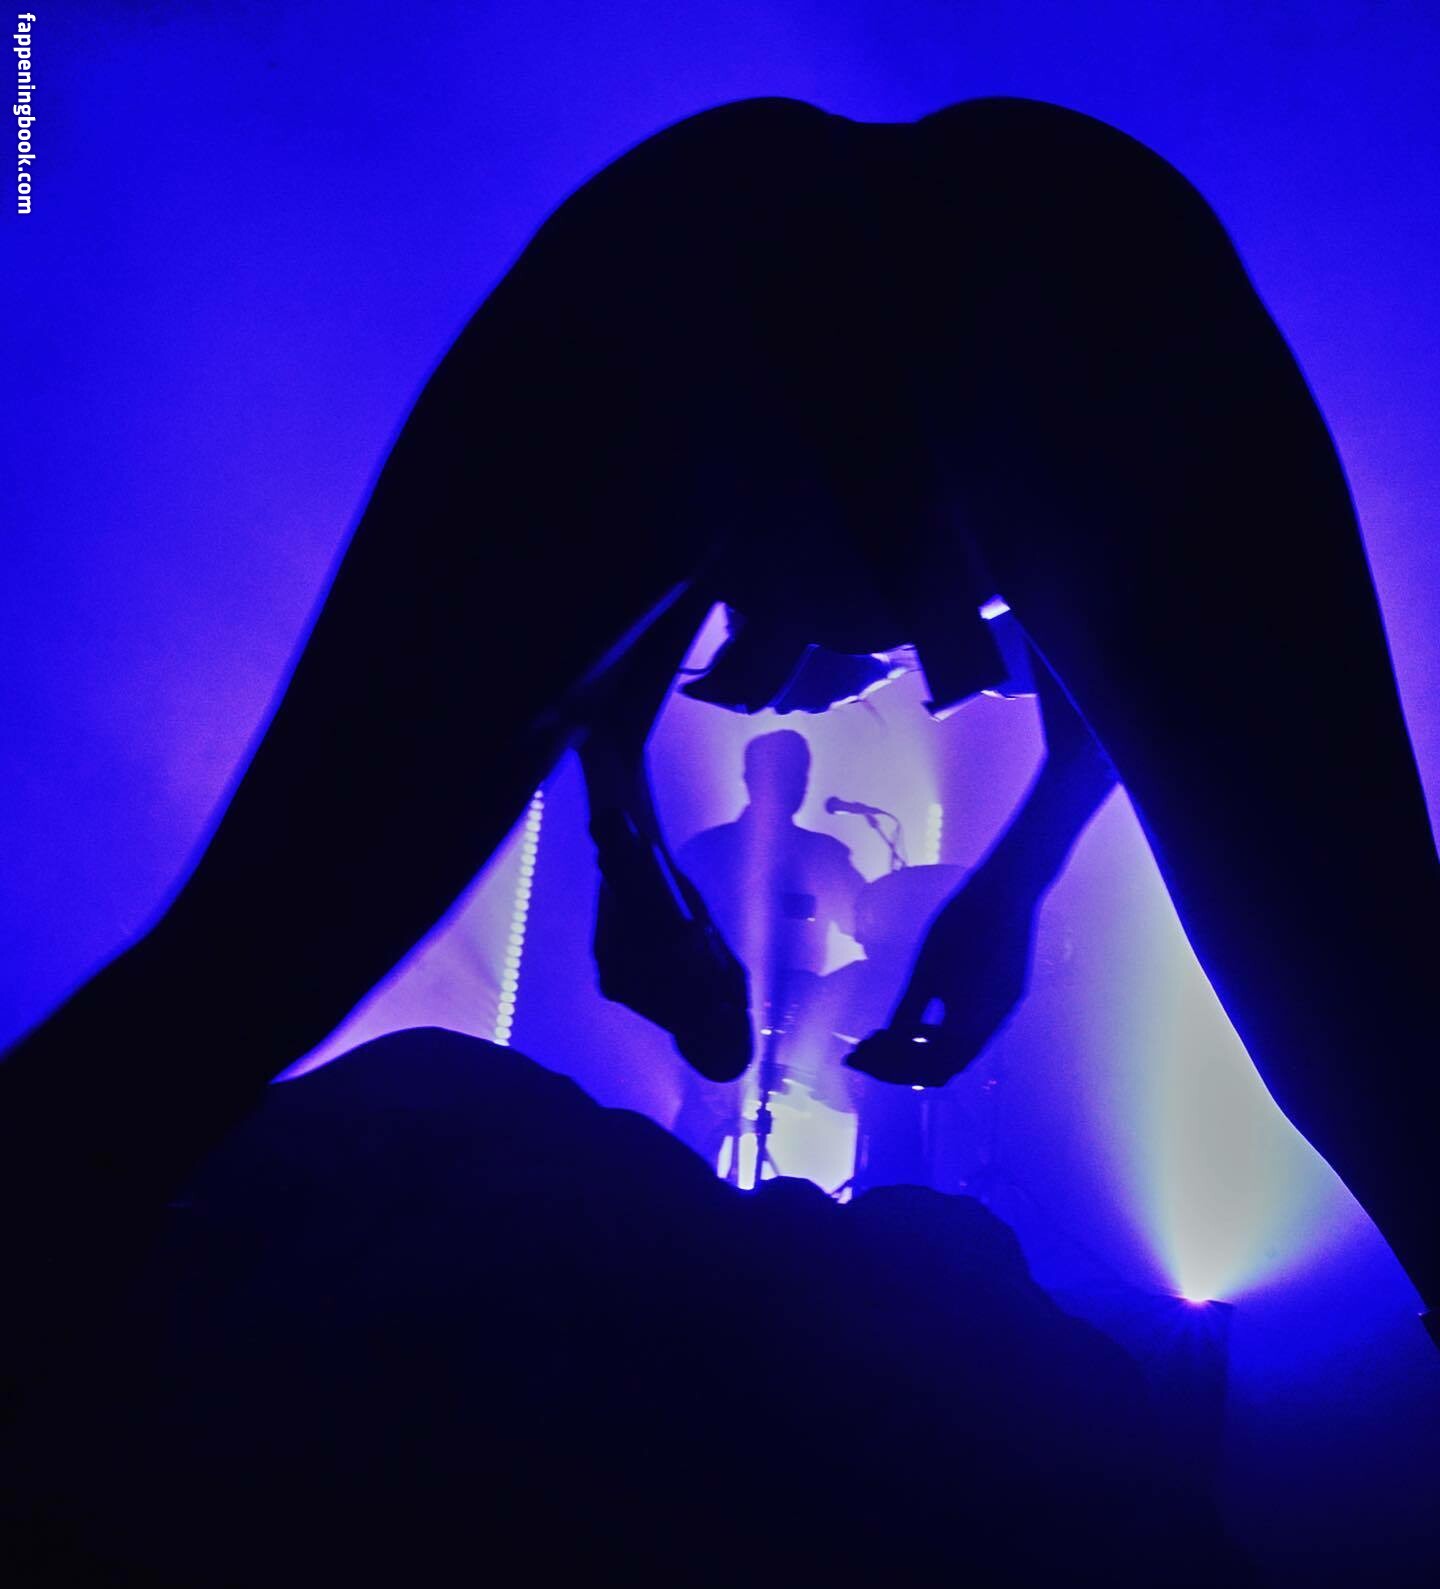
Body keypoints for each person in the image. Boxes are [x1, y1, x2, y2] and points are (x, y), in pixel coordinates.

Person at [3, 95, 1437, 1350]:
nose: (872, 683)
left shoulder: (974, 330)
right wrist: (655, 861)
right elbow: (1141, 680)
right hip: (946, 282)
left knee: (1364, 1019)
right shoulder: (733, 333)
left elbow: (1123, 675)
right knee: (1363, 1013)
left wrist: (973, 884)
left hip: (924, 283)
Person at [666, 730, 864, 1168]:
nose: (794, 787)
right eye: (783, 775)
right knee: (698, 1132)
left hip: (799, 1023)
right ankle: (679, 1197)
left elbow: (867, 923)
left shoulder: (823, 855)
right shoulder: (706, 852)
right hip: (717, 1016)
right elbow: (667, 940)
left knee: (866, 1089)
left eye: (800, 776)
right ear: (749, 778)